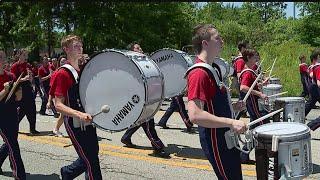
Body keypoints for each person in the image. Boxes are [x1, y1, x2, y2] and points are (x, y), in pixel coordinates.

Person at [186, 24, 247, 180]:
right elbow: (195, 115)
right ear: (205, 43)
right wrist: (231, 122)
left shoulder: (213, 68)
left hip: (226, 136)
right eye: (217, 38)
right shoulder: (199, 73)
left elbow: (213, 106)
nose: (222, 41)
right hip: (216, 140)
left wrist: (232, 107)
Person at [52, 35, 102, 179]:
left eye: (81, 45)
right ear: (66, 49)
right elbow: (58, 105)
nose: (80, 48)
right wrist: (79, 114)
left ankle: (67, 173)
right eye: (76, 46)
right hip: (75, 122)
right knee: (90, 160)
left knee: (91, 155)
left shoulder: (83, 70)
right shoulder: (62, 74)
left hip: (88, 118)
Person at [121, 42, 170, 158]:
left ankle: (126, 137)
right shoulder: (129, 64)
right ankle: (158, 147)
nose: (141, 49)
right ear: (131, 51)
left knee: (142, 120)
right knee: (148, 122)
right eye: (138, 48)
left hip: (145, 96)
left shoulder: (143, 63)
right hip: (138, 97)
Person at [238, 49, 269, 164]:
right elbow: (243, 87)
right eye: (255, 57)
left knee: (254, 130)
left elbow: (252, 85)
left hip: (253, 104)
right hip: (252, 105)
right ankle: (264, 154)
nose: (257, 59)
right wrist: (259, 93)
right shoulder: (247, 72)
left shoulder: (250, 71)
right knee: (261, 127)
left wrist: (261, 84)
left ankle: (244, 156)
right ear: (249, 58)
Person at [0, 50, 26, 179]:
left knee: (11, 142)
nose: (3, 60)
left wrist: (18, 92)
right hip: (1, 116)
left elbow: (18, 98)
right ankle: (20, 175)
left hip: (12, 113)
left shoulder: (11, 76)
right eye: (0, 58)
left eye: (3, 57)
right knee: (13, 146)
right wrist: (4, 91)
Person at [10, 48, 40, 134]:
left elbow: (32, 77)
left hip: (28, 89)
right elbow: (13, 80)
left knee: (32, 109)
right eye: (24, 55)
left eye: (26, 55)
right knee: (21, 111)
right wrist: (24, 79)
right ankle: (14, 127)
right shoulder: (15, 66)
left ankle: (32, 129)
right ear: (19, 55)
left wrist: (31, 78)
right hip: (20, 91)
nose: (25, 56)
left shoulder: (28, 65)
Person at [48, 56, 67, 136]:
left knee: (66, 115)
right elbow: (51, 89)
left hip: (67, 96)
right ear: (59, 63)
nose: (64, 63)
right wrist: (49, 101)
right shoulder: (56, 73)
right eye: (62, 62)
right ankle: (56, 129)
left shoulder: (70, 72)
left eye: (65, 61)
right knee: (63, 114)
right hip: (59, 97)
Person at [305, 49, 320, 116]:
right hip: (314, 86)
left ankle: (301, 114)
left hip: (313, 86)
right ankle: (301, 115)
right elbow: (311, 75)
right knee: (310, 102)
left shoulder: (314, 67)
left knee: (311, 102)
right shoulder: (314, 67)